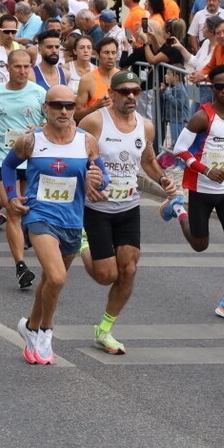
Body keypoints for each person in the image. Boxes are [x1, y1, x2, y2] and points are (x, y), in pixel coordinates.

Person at [2, 85, 103, 364]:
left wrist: (98, 181)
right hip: (39, 217)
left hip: (72, 220)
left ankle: (30, 326)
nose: (63, 111)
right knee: (57, 277)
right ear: (45, 108)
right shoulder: (30, 141)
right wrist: (12, 197)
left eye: (69, 106)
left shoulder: (86, 141)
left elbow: (101, 177)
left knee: (50, 280)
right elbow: (8, 167)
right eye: (57, 105)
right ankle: (46, 331)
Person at [79, 71, 178, 354]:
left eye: (136, 91)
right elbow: (74, 156)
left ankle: (105, 329)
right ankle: (82, 242)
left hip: (128, 206)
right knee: (105, 275)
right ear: (112, 94)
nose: (131, 96)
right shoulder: (95, 122)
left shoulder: (145, 126)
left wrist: (163, 180)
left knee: (130, 268)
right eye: (124, 91)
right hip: (96, 208)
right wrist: (86, 181)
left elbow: (148, 160)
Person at [163, 63, 224, 320]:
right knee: (200, 245)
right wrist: (205, 170)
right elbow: (179, 148)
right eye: (219, 86)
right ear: (212, 88)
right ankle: (179, 210)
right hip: (201, 187)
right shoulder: (202, 117)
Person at [0, 47, 46, 289]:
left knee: (26, 207)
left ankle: (26, 235)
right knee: (13, 209)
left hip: (33, 159)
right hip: (4, 159)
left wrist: (39, 129)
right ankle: (21, 266)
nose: (22, 71)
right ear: (7, 68)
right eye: (17, 66)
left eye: (26, 67)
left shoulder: (39, 92)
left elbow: (51, 121)